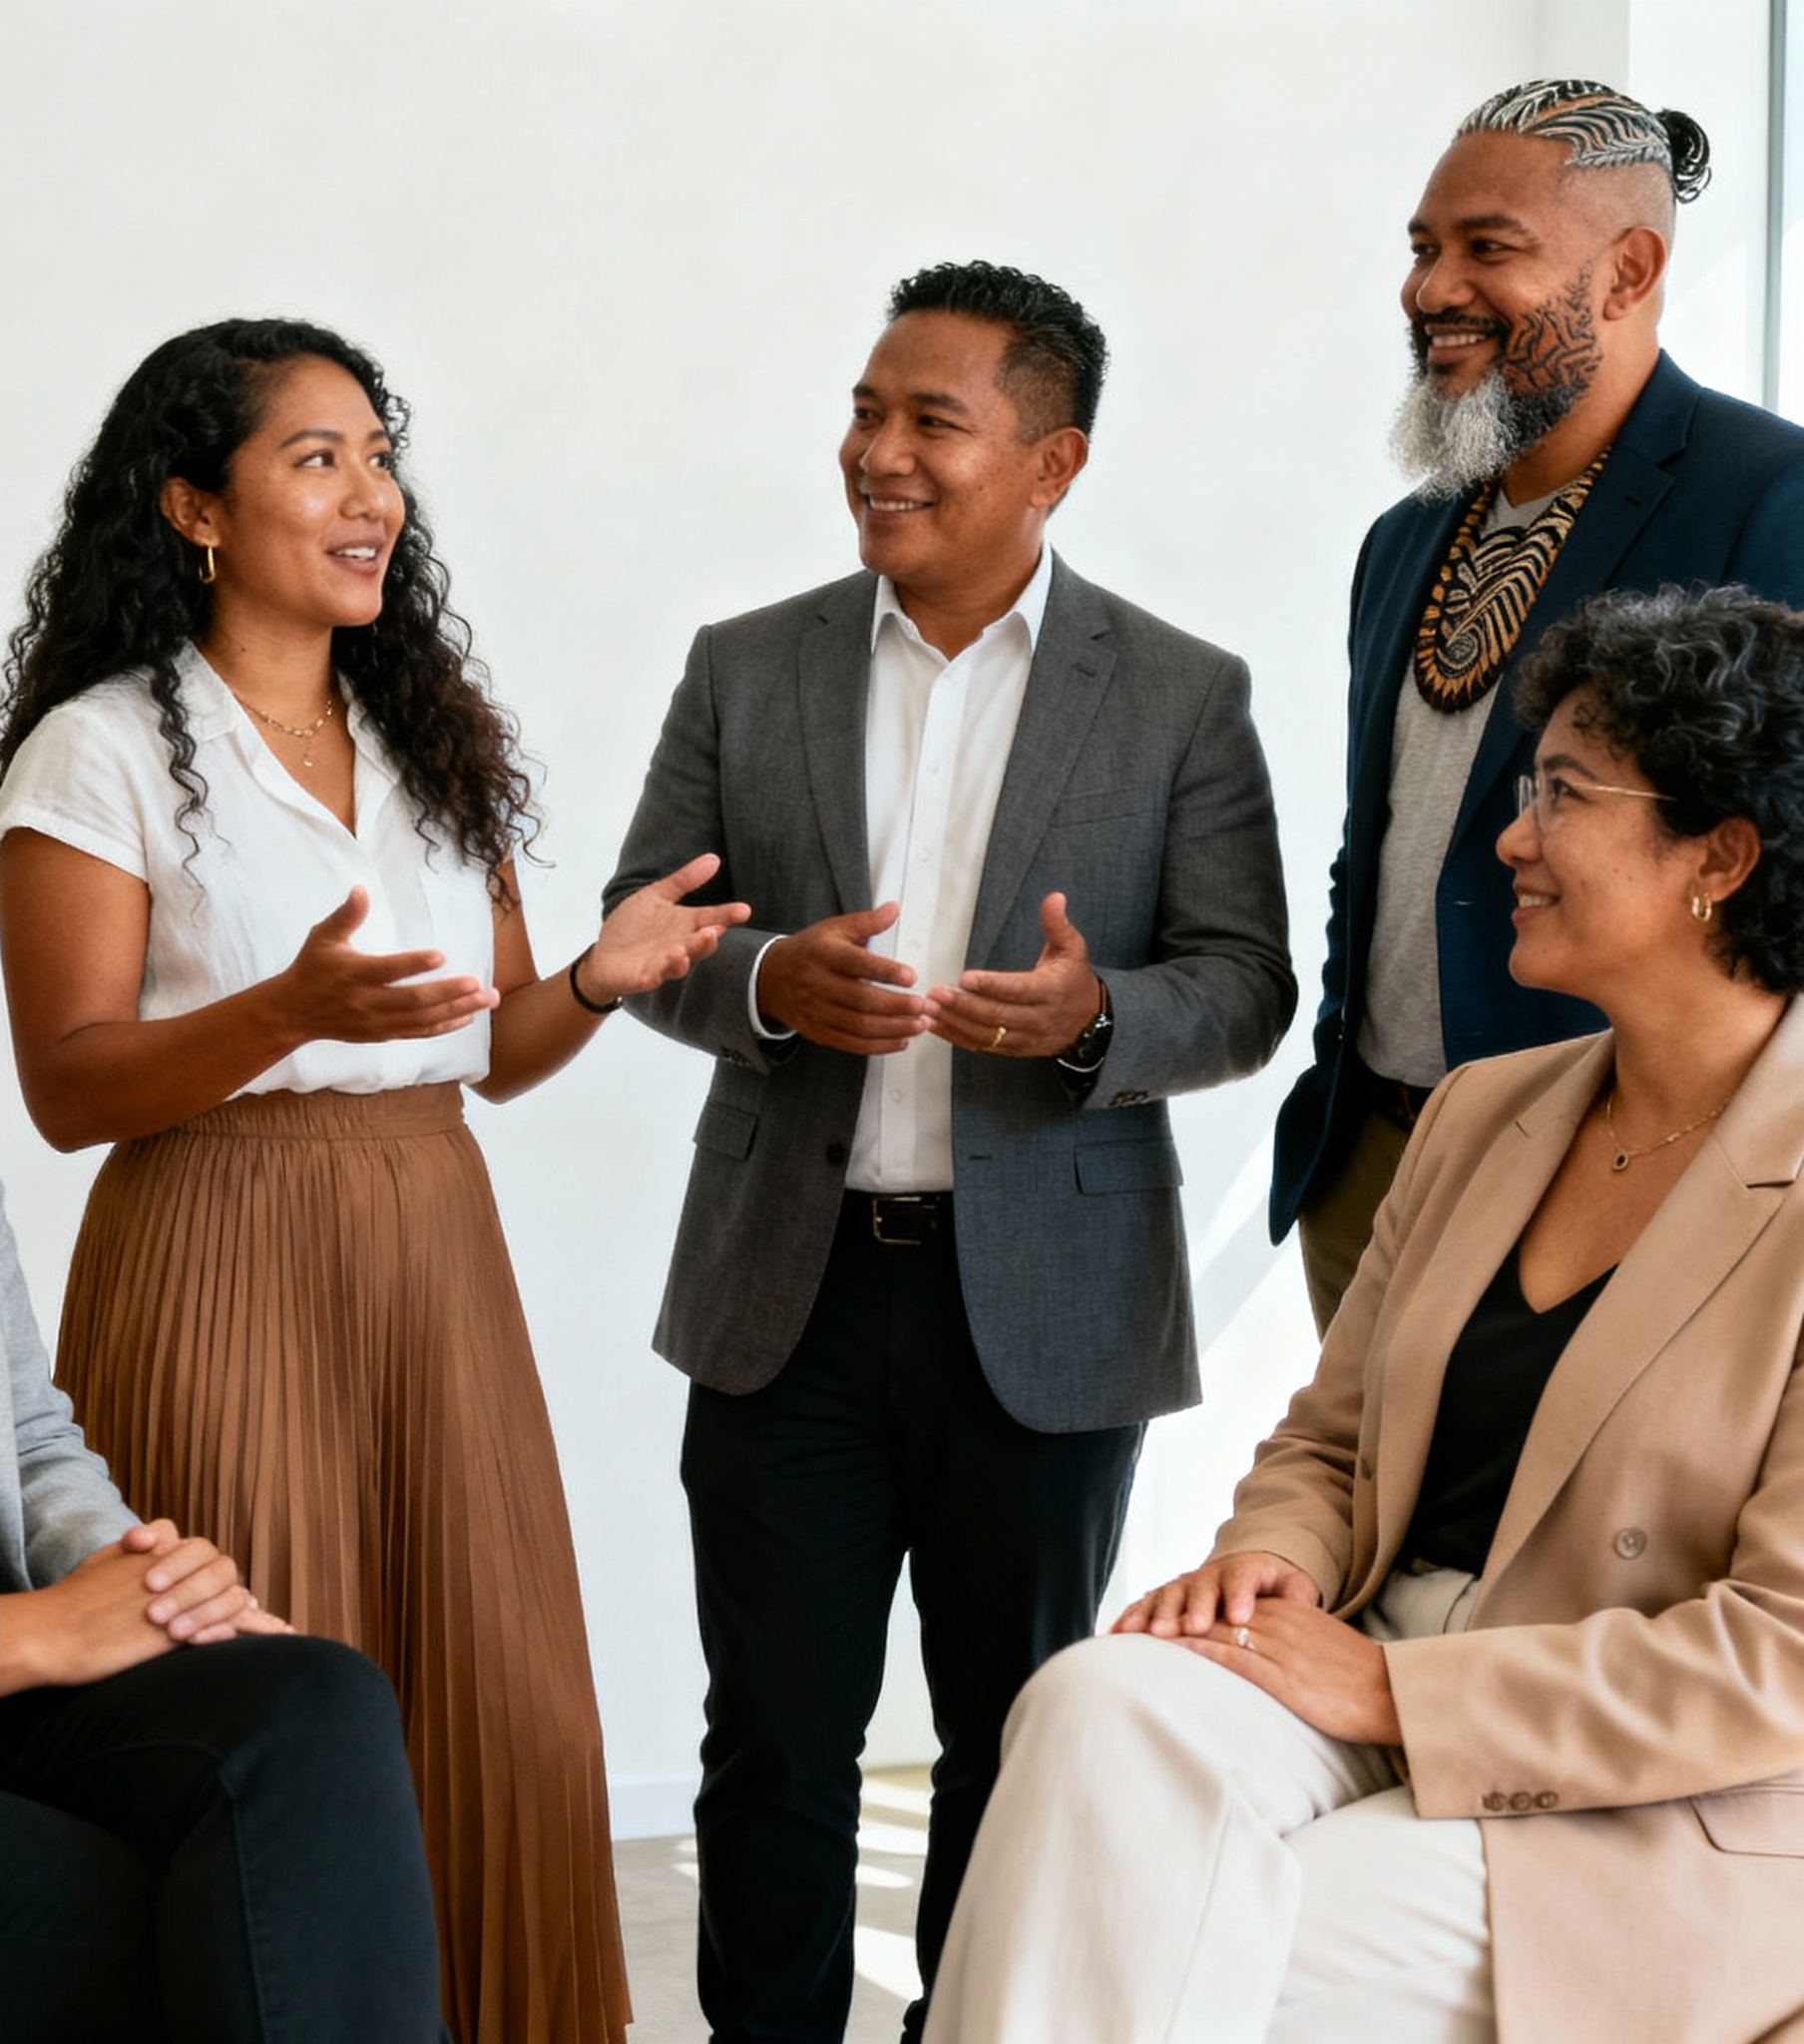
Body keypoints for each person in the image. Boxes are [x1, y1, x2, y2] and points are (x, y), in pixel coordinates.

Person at [0, 317, 747, 2044]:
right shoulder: (95, 752)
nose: (370, 495)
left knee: (497, 1685)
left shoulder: (428, 740)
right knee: (268, 1672)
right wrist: (280, 1012)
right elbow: (66, 1084)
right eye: (315, 457)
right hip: (214, 1240)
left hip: (429, 1236)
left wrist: (601, 982)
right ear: (190, 506)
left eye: (378, 455)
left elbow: (481, 1045)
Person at [928, 585, 1804, 2044]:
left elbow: (1780, 1653)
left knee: (1204, 1953)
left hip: (1657, 1802)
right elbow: (1330, 1439)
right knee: (1091, 1706)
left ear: (1717, 855)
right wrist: (1265, 1566)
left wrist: (1404, 1689)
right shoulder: (1482, 1113)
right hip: (1367, 1665)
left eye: (1566, 796)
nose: (1510, 838)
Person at [606, 259, 1295, 2041]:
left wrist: (1088, 1021)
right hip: (787, 1294)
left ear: (1051, 461)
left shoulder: (1176, 693)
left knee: (1020, 1733)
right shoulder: (742, 665)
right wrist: (765, 982)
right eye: (864, 408)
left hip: (1052, 1315)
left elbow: (1243, 988)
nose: (876, 452)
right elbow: (643, 928)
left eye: (930, 420)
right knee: (771, 1732)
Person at [0, 539, 443, 2043]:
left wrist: (138, 1572)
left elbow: (25, 1425)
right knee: (174, 1920)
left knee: (313, 1703)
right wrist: (31, 1641)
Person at [1272, 79, 1804, 1331]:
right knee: (1348, 1520)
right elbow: (1388, 845)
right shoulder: (1399, 541)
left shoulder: (1766, 498)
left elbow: (1784, 874)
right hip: (1370, 1169)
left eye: (1485, 248)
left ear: (1626, 270)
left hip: (1618, 1179)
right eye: (1420, 247)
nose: (1427, 288)